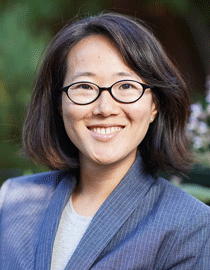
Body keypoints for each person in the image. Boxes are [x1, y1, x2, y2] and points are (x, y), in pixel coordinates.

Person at [0, 12, 210, 270]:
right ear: (59, 103)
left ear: (155, 104)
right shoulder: (13, 199)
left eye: (126, 86)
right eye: (85, 86)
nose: (105, 107)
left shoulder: (190, 225)